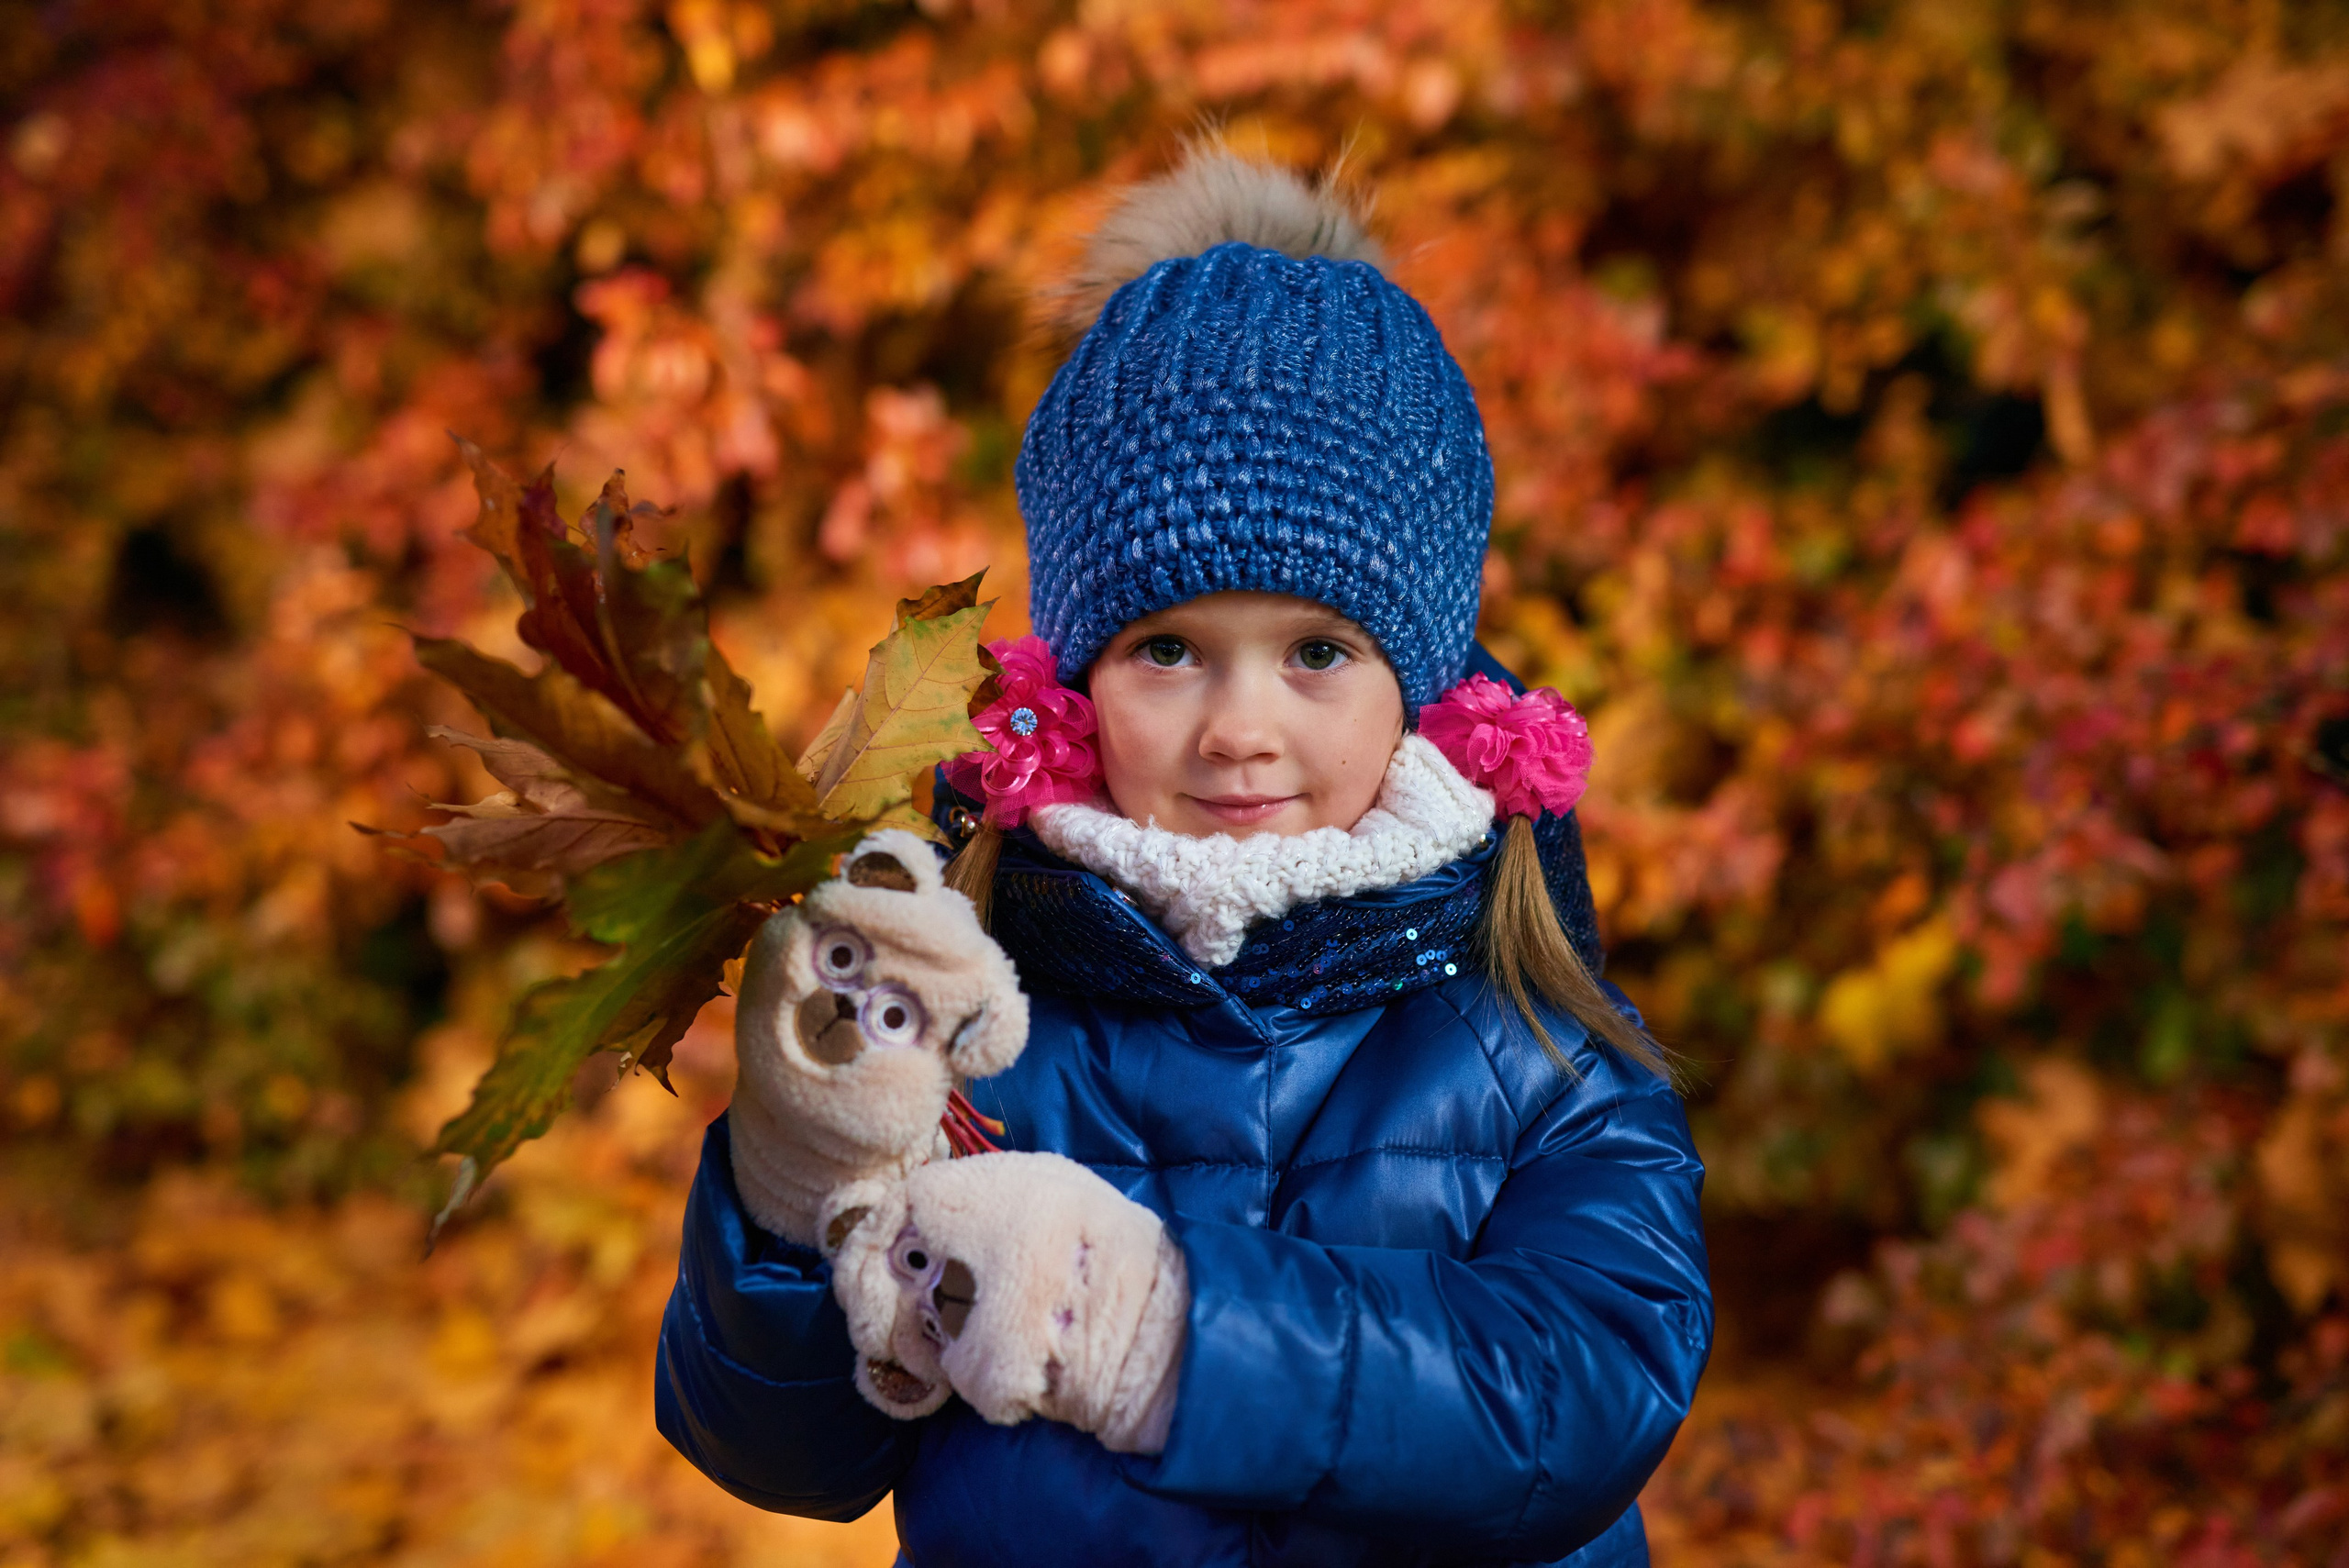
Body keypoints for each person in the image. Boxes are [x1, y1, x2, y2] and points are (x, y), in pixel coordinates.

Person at [655, 145, 1712, 1568]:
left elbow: (1570, 1400)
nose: (1240, 730)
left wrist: (1153, 1325)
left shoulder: (1539, 1051)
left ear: (1426, 683)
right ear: (1077, 677)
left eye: (1319, 653)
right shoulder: (979, 1019)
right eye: (1168, 650)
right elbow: (786, 1451)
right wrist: (792, 1195)